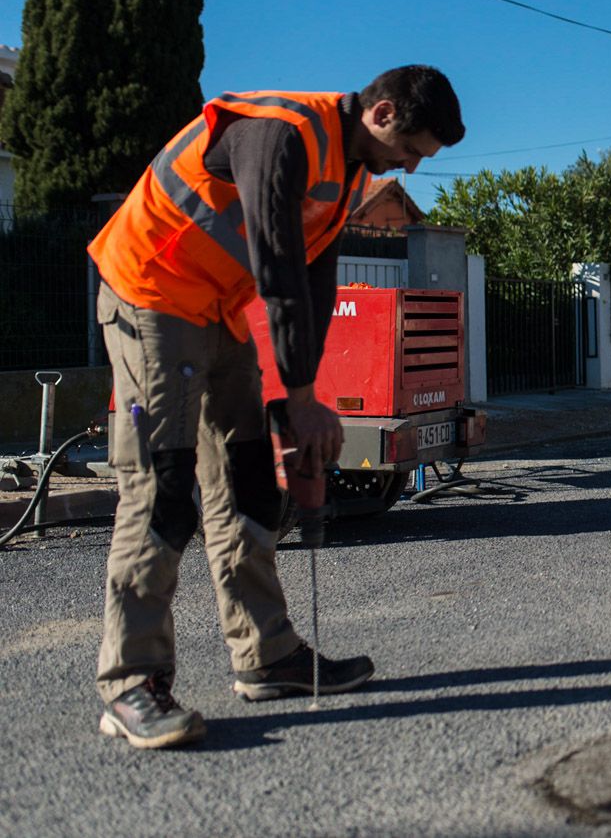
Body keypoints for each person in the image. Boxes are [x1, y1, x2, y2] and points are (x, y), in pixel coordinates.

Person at [88, 65, 465, 749]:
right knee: (163, 484)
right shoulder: (281, 135)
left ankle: (266, 655)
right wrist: (294, 394)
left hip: (217, 310)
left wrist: (306, 396)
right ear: (381, 113)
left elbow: (314, 282)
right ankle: (129, 682)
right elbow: (276, 263)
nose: (407, 169)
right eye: (410, 151)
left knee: (248, 476)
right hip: (152, 295)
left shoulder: (349, 171)